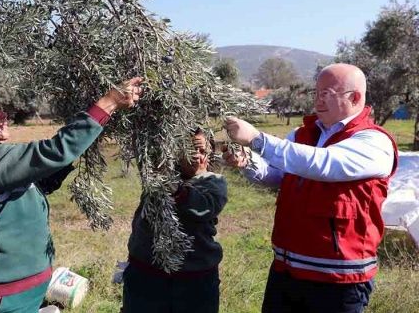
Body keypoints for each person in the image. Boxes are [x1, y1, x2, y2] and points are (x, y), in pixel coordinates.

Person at [0, 78, 142, 313]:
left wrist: (81, 141)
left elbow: (38, 183)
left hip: (15, 295)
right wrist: (109, 102)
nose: (1, 114)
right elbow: (53, 152)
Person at [223, 63, 398, 313]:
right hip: (286, 271)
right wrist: (247, 161)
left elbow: (322, 164)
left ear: (355, 97)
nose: (318, 101)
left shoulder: (373, 141)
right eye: (315, 93)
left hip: (337, 281)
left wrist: (257, 139)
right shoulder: (303, 134)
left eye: (326, 93)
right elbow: (277, 174)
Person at [122, 129, 228, 313]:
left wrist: (179, 188)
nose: (196, 155)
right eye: (189, 149)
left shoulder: (214, 182)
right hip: (146, 274)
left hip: (195, 279)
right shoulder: (157, 176)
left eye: (202, 151)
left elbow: (203, 208)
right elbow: (143, 145)